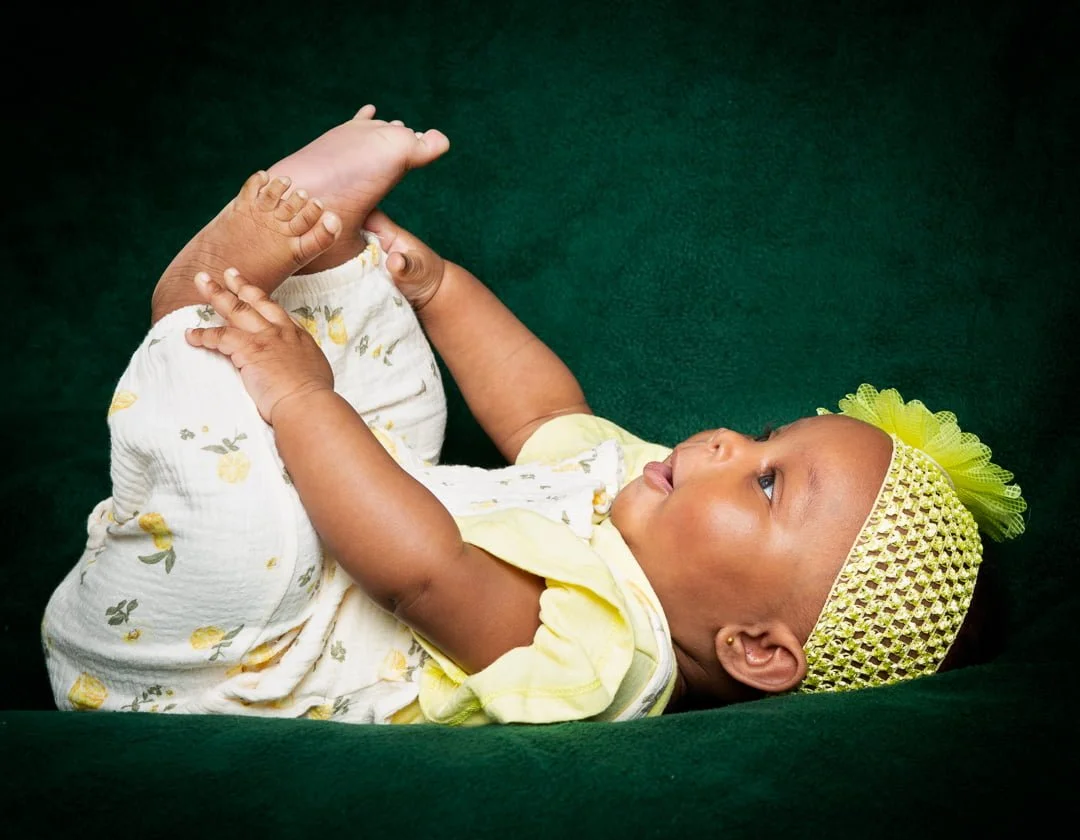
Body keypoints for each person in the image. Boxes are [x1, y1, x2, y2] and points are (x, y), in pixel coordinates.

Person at [42, 106, 1027, 725]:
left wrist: (299, 395)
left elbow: (424, 570)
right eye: (768, 434)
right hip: (339, 524)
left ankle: (196, 308)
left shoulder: (610, 659)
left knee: (258, 492)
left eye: (768, 481)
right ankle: (312, 259)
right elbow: (545, 411)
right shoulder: (641, 494)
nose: (732, 440)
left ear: (757, 648)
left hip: (211, 652)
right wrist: (435, 290)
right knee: (396, 388)